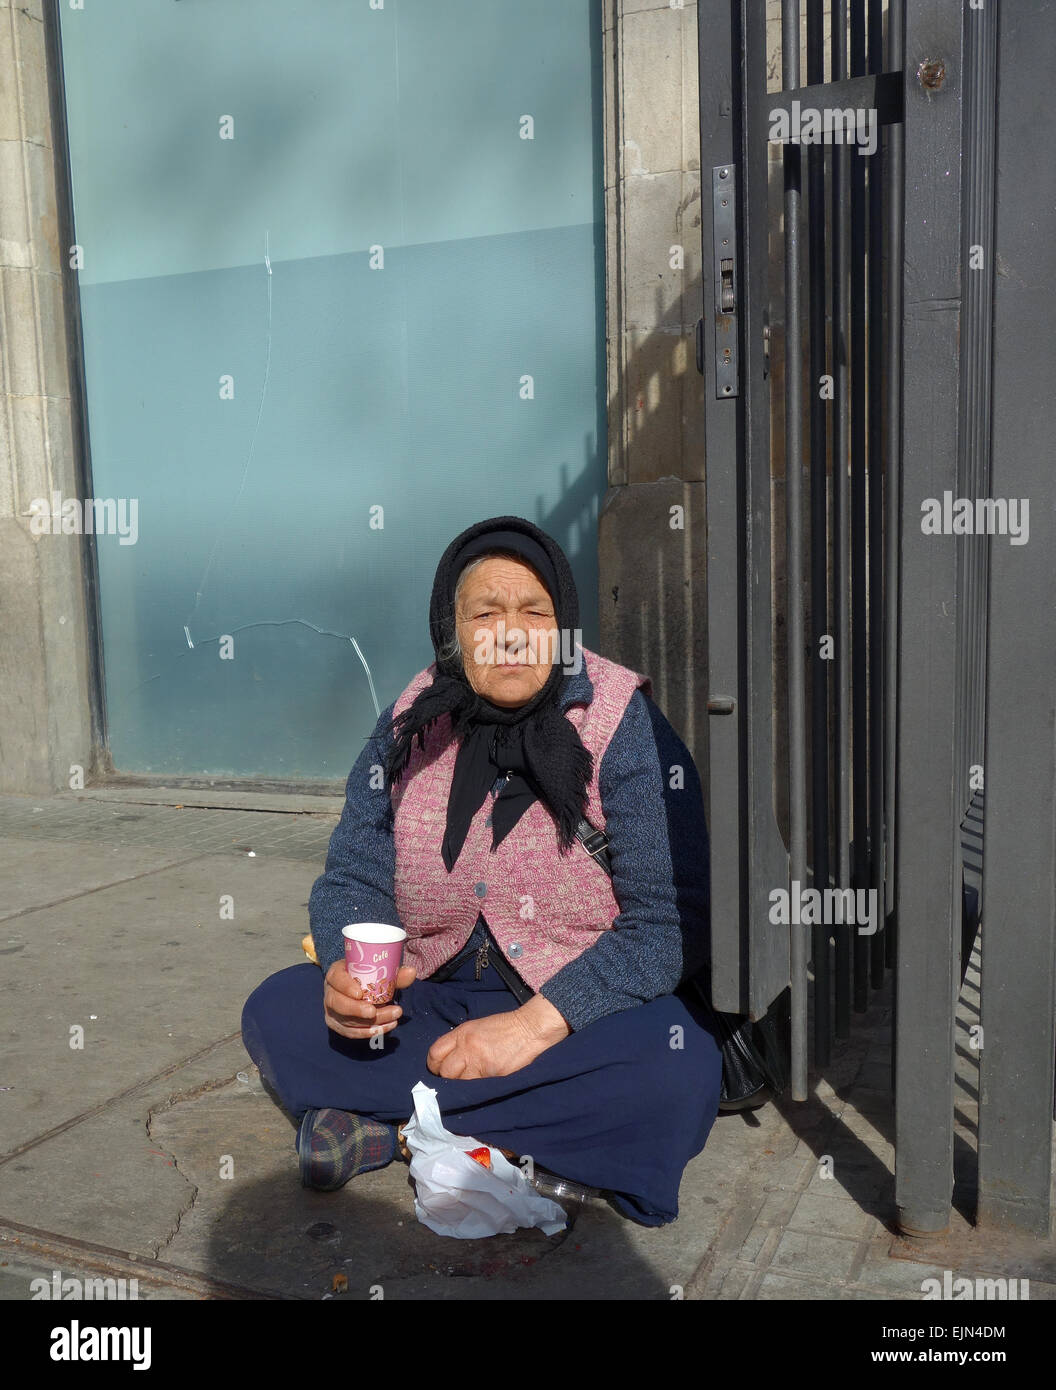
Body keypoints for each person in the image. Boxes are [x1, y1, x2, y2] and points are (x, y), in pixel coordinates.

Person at [241, 515, 722, 1227]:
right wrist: (347, 969)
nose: (511, 632)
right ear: (451, 631)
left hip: (577, 1014)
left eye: (535, 612)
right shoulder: (411, 720)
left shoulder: (627, 726)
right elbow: (351, 875)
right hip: (427, 1002)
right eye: (485, 613)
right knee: (278, 1013)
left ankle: (392, 1125)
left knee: (675, 1070)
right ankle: (517, 1138)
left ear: (564, 628)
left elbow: (670, 923)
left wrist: (531, 1027)